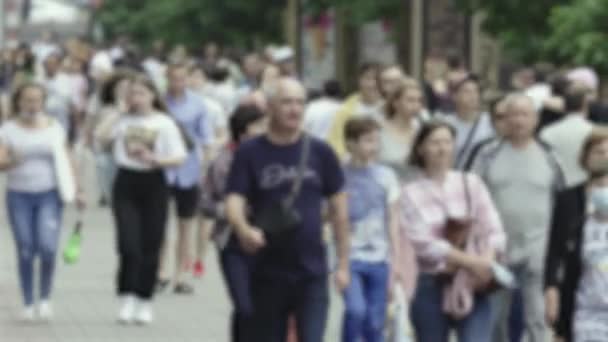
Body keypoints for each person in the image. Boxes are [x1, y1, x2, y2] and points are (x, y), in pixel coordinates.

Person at [225, 78, 350, 341]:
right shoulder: (250, 151)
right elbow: (234, 199)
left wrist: (343, 264)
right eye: (286, 102)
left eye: (300, 103)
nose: (294, 109)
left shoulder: (321, 152)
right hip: (266, 270)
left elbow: (340, 210)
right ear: (270, 107)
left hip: (311, 271)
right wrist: (243, 229)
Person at [470, 94, 565, 342]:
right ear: (504, 119)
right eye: (513, 114)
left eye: (525, 115)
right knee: (494, 318)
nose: (518, 121)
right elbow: (471, 198)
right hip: (496, 251)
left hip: (538, 251)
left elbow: (563, 203)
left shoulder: (550, 156)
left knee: (538, 319)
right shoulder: (486, 154)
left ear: (535, 120)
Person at [401, 120, 506, 341]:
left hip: (473, 281)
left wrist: (486, 261)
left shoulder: (471, 182)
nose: (442, 148)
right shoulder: (409, 193)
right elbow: (423, 243)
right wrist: (472, 262)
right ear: (421, 148)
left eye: (447, 142)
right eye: (435, 142)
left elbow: (493, 228)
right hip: (431, 282)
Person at [97, 75, 187, 324]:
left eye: (140, 93)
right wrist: (118, 113)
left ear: (152, 96)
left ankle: (144, 300)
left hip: (154, 182)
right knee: (128, 244)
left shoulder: (164, 123)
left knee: (151, 245)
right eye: (131, 93)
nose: (135, 98)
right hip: (126, 182)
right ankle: (126, 296)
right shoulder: (122, 120)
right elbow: (100, 138)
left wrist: (157, 160)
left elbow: (179, 156)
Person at [0, 83, 84, 321]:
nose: (32, 105)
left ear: (43, 102)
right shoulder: (8, 130)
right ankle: (28, 302)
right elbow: (1, 160)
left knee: (47, 247)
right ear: (19, 102)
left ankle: (45, 298)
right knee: (26, 248)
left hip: (49, 193)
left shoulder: (54, 128)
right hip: (19, 195)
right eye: (27, 100)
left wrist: (79, 190)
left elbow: (68, 158)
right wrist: (11, 161)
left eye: (37, 100)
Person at [200, 105, 267, 342]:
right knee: (244, 305)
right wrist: (233, 211)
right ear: (244, 132)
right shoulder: (223, 161)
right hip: (232, 243)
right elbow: (205, 202)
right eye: (259, 126)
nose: (265, 130)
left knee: (262, 308)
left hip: (269, 241)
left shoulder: (271, 159)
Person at [341, 117, 400, 342]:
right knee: (356, 310)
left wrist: (396, 261)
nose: (373, 146)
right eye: (367, 140)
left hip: (380, 257)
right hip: (349, 256)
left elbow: (393, 220)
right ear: (350, 143)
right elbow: (328, 215)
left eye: (376, 141)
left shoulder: (386, 175)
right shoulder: (338, 174)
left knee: (375, 322)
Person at [544, 132, 608, 342]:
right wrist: (551, 287)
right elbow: (555, 248)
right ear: (586, 157)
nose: (604, 156)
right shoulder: (569, 198)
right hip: (583, 303)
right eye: (598, 151)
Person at [158, 63, 212, 293]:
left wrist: (205, 169)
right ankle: (162, 271)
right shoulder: (158, 103)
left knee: (186, 224)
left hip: (189, 169)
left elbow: (206, 139)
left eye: (181, 79)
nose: (177, 83)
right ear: (166, 79)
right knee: (160, 222)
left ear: (187, 79)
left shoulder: (198, 104)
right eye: (173, 79)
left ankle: (181, 275)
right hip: (163, 168)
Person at [88, 71, 132, 207]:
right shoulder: (105, 107)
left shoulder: (139, 108)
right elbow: (98, 133)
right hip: (108, 153)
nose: (124, 92)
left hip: (130, 157)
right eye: (120, 88)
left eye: (128, 88)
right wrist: (118, 112)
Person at [540, 83, 596, 187]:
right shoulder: (595, 132)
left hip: (556, 187)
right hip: (585, 187)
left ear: (564, 104)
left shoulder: (547, 132)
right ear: (585, 104)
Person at [328, 62, 384, 159]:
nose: (372, 84)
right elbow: (336, 143)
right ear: (360, 81)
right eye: (368, 79)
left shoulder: (390, 108)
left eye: (376, 79)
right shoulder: (345, 110)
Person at [438, 75, 495, 170]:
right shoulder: (445, 123)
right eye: (467, 92)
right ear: (454, 96)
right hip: (455, 177)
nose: (473, 96)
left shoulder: (490, 121)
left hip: (481, 179)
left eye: (476, 91)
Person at [379, 80, 426, 180]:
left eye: (419, 100)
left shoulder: (423, 130)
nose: (416, 105)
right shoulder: (379, 130)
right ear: (395, 103)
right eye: (410, 100)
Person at [463, 96, 510, 171]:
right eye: (500, 117)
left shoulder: (534, 147)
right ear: (492, 121)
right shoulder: (481, 149)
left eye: (511, 115)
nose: (508, 121)